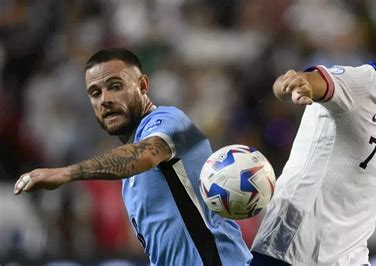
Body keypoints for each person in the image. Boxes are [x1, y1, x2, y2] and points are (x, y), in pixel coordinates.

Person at [251, 3, 376, 265]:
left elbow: (374, 152)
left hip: (348, 256)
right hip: (291, 250)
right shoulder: (356, 83)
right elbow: (307, 81)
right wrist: (291, 85)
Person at [13, 48, 252, 266]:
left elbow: (146, 155)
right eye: (95, 93)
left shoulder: (170, 121)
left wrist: (66, 173)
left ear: (143, 85)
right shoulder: (129, 178)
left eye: (115, 86)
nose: (105, 99)